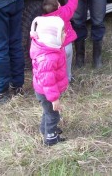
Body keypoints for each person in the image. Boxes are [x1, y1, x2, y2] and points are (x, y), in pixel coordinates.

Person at [30, 16, 68, 146]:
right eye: (62, 32)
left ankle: (45, 129)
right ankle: (51, 138)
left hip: (45, 91)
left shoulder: (50, 47)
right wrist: (54, 99)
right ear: (53, 37)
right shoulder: (48, 57)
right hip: (47, 93)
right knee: (53, 115)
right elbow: (48, 82)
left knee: (47, 112)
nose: (65, 34)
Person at [42, 0, 80, 82]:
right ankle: (68, 78)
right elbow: (72, 6)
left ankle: (57, 81)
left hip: (54, 48)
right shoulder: (63, 13)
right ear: (59, 5)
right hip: (67, 45)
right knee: (67, 63)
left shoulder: (43, 20)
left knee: (57, 66)